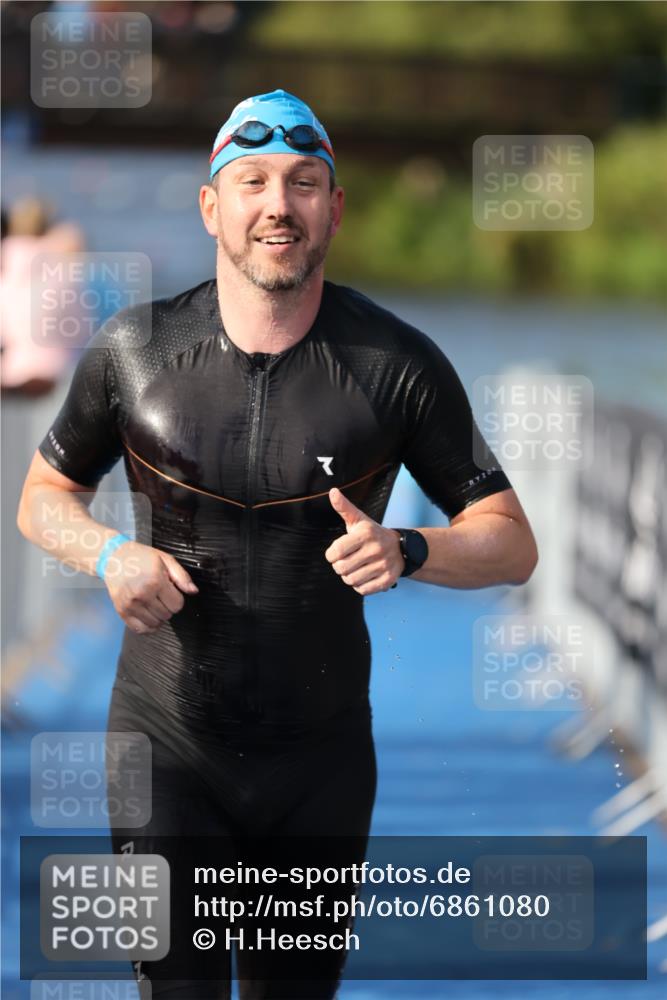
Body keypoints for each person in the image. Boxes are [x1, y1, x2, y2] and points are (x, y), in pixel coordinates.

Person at [17, 90, 538, 999]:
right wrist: (109, 555)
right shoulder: (134, 349)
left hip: (318, 763)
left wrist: (408, 549)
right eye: (251, 181)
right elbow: (42, 498)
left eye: (302, 183)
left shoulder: (397, 363)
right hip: (164, 742)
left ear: (334, 208)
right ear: (211, 206)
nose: (277, 205)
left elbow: (510, 542)